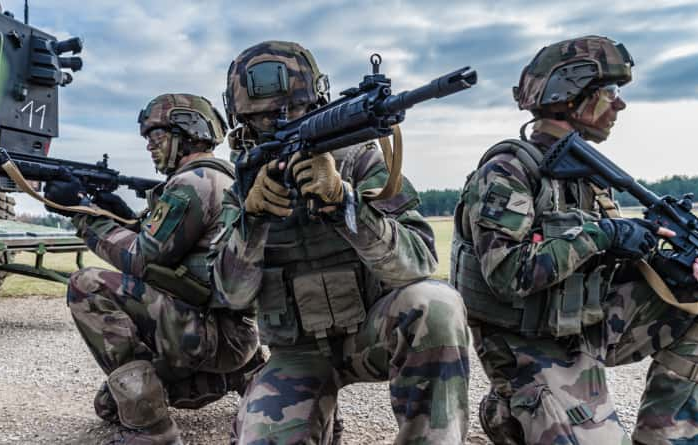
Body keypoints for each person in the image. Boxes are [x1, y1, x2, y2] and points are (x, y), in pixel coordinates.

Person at [211, 40, 470, 444]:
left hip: (371, 335)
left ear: (317, 102)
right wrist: (253, 222)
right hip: (297, 352)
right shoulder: (241, 188)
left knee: (436, 304)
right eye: (262, 119)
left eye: (295, 111)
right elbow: (231, 297)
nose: (280, 123)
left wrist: (345, 204)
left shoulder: (359, 159)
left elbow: (418, 262)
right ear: (241, 121)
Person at [451, 35, 698, 444]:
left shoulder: (584, 173)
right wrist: (604, 234)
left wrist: (680, 277)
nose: (619, 105)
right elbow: (507, 275)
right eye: (610, 93)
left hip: (583, 325)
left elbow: (603, 266)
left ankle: (668, 435)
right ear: (570, 96)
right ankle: (509, 410)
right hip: (526, 342)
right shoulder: (507, 171)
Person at [44, 93, 264, 445]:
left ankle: (153, 433)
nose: (149, 146)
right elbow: (173, 255)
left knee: (87, 284)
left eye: (156, 136)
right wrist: (122, 217)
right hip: (235, 338)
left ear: (188, 132)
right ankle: (231, 380)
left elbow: (140, 260)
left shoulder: (191, 184)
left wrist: (82, 214)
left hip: (207, 337)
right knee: (109, 405)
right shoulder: (224, 178)